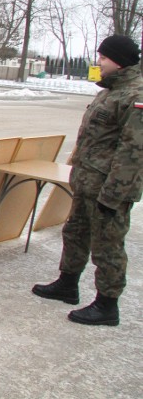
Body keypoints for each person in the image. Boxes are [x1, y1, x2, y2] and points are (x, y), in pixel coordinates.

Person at [32, 35, 142, 326]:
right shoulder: (109, 90)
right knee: (76, 232)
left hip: (109, 189)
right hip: (88, 181)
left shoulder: (135, 94)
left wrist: (113, 195)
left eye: (104, 57)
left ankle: (107, 304)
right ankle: (67, 284)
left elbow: (133, 151)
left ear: (118, 59)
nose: (100, 61)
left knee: (107, 245)